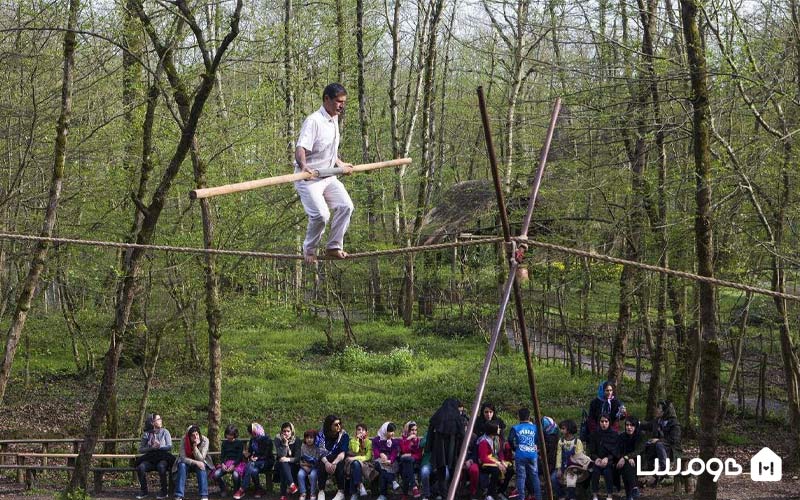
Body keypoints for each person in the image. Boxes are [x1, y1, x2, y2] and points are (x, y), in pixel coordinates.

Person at [294, 82, 354, 263]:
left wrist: (339, 162)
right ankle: (309, 250)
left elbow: (328, 149)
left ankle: (334, 247)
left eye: (343, 102)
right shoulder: (314, 121)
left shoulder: (334, 119)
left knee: (346, 206)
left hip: (329, 176)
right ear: (326, 99)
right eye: (338, 101)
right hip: (309, 179)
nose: (341, 105)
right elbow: (300, 148)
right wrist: (304, 167)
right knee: (321, 215)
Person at [425, 398, 466, 498]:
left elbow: (430, 433)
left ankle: (444, 495)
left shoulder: (438, 416)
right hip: (453, 449)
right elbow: (462, 435)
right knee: (453, 473)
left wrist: (428, 449)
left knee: (441, 474)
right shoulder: (457, 417)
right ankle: (453, 495)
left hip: (439, 450)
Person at [135, 413, 174, 500]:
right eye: (158, 419)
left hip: (162, 457)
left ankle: (164, 491)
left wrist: (160, 447)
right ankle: (144, 491)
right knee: (141, 467)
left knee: (161, 466)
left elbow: (169, 446)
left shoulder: (165, 432)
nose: (161, 420)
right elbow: (141, 449)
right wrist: (151, 448)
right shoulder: (146, 434)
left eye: (160, 419)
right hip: (150, 458)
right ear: (153, 422)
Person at [640, 400, 681, 480]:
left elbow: (674, 439)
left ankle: (665, 470)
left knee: (658, 444)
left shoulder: (674, 423)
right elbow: (647, 425)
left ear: (664, 411)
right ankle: (649, 470)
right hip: (658, 447)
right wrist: (636, 423)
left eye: (659, 408)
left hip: (671, 448)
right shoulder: (657, 420)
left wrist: (659, 440)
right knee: (649, 444)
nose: (657, 410)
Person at [234, 422, 275, 500]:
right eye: (252, 434)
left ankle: (242, 489)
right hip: (256, 463)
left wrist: (256, 458)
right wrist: (248, 455)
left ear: (258, 430)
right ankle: (258, 490)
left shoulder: (267, 439)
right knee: (253, 470)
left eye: (254, 433)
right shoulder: (253, 439)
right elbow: (250, 451)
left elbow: (266, 454)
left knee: (251, 464)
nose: (253, 436)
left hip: (267, 462)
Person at [173, 424, 215, 500]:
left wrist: (195, 447)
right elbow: (183, 457)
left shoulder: (205, 440)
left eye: (197, 434)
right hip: (186, 462)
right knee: (182, 465)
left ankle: (204, 495)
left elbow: (201, 459)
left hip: (200, 460)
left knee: (202, 466)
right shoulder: (184, 440)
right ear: (189, 436)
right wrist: (195, 462)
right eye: (193, 435)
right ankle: (179, 495)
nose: (196, 437)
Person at [508, 408, 540, 500]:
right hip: (532, 454)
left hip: (520, 454)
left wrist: (514, 448)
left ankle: (521, 497)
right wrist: (535, 446)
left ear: (518, 417)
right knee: (534, 476)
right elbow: (539, 440)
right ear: (529, 417)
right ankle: (538, 497)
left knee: (521, 477)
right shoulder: (535, 427)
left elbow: (510, 439)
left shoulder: (515, 428)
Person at [317, 414, 350, 500]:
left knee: (339, 463)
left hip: (338, 458)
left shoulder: (343, 435)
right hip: (325, 458)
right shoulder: (321, 435)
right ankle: (321, 491)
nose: (339, 426)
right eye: (336, 424)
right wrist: (327, 463)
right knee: (321, 462)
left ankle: (341, 492)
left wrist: (334, 463)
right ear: (329, 426)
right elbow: (320, 452)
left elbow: (342, 453)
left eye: (339, 423)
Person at [477, 422, 512, 500]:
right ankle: (490, 494)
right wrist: (497, 463)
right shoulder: (484, 441)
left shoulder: (496, 438)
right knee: (496, 471)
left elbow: (500, 452)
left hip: (495, 460)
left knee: (510, 469)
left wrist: (502, 461)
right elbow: (483, 458)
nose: (499, 429)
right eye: (498, 428)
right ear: (493, 430)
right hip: (485, 463)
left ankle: (500, 491)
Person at [551, 419, 584, 500]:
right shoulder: (561, 441)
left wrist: (573, 469)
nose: (561, 430)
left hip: (574, 467)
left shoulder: (577, 442)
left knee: (570, 480)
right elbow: (559, 455)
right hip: (563, 466)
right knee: (553, 478)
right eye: (561, 428)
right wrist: (558, 469)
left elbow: (579, 457)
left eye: (563, 428)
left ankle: (572, 497)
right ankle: (561, 495)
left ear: (569, 429)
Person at [589, 414, 618, 500]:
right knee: (595, 471)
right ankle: (594, 494)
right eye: (602, 421)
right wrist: (597, 459)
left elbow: (615, 451)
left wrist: (607, 458)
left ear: (609, 422)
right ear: (599, 422)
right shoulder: (594, 434)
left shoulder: (613, 434)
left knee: (607, 471)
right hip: (597, 460)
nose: (604, 424)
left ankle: (609, 495)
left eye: (606, 421)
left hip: (610, 461)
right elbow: (592, 452)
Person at [213, 424, 246, 496]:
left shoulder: (239, 443)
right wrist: (223, 464)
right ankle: (223, 489)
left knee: (235, 475)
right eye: (228, 434)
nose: (229, 436)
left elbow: (240, 456)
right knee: (216, 474)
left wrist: (234, 465)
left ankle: (237, 490)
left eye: (231, 435)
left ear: (235, 434)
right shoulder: (224, 443)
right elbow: (222, 455)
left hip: (237, 464)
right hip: (226, 463)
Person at [616, 417, 644, 500]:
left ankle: (630, 493)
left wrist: (627, 457)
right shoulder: (621, 436)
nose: (629, 427)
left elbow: (639, 450)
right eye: (627, 425)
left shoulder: (640, 436)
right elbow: (618, 450)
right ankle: (634, 489)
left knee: (628, 465)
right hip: (624, 461)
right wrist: (626, 458)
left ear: (636, 427)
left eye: (632, 425)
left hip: (639, 460)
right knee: (626, 466)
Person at [372, 421, 401, 500]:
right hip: (379, 461)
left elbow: (394, 453)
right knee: (380, 466)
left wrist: (390, 461)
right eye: (390, 431)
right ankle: (393, 481)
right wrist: (381, 454)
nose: (392, 433)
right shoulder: (376, 440)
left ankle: (383, 495)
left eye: (393, 431)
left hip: (390, 463)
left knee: (383, 473)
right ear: (385, 431)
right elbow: (375, 451)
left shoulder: (394, 442)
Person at [346, 423, 375, 500]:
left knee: (355, 465)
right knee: (355, 464)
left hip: (365, 463)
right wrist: (357, 440)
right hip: (351, 462)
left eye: (363, 430)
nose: (361, 431)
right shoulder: (352, 441)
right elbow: (355, 450)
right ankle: (360, 485)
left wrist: (355, 458)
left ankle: (354, 493)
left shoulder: (369, 442)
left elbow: (368, 457)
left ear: (366, 432)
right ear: (356, 431)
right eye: (359, 429)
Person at [275, 422, 302, 500]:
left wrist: (288, 459)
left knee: (284, 465)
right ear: (281, 432)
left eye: (288, 431)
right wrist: (285, 444)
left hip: (293, 464)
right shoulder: (278, 439)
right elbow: (281, 455)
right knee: (283, 464)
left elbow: (297, 458)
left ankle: (283, 494)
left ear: (292, 431)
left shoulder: (297, 440)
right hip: (280, 464)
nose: (286, 433)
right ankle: (291, 485)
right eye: (284, 431)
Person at [399, 421, 423, 498]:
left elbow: (419, 455)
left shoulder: (418, 441)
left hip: (415, 463)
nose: (414, 432)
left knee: (407, 464)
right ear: (408, 430)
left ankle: (405, 495)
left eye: (415, 430)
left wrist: (410, 455)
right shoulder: (403, 439)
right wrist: (408, 439)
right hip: (405, 463)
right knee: (407, 461)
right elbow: (403, 450)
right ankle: (414, 487)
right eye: (412, 430)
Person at [299, 429, 323, 500]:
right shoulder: (303, 446)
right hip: (304, 467)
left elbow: (317, 461)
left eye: (311, 438)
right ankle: (303, 493)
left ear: (315, 439)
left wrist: (309, 465)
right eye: (307, 438)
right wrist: (304, 466)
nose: (309, 440)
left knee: (313, 475)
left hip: (314, 467)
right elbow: (300, 459)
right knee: (300, 474)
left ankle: (313, 493)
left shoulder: (317, 447)